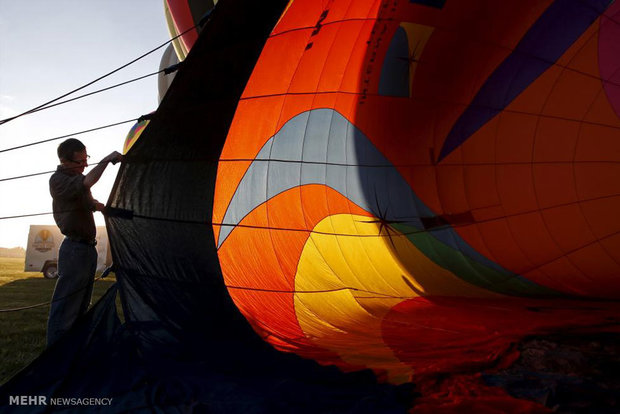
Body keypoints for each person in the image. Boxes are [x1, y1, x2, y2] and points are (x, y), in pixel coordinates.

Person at [47, 138, 122, 347]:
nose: (85, 165)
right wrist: (107, 160)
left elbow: (93, 204)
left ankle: (72, 348)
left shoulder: (76, 178)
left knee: (81, 304)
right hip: (74, 249)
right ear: (65, 161)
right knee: (66, 306)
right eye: (80, 161)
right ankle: (55, 353)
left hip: (87, 248)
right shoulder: (59, 181)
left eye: (86, 159)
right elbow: (87, 182)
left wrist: (119, 210)